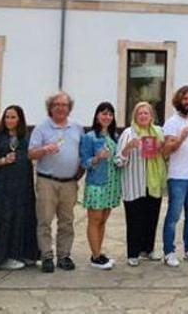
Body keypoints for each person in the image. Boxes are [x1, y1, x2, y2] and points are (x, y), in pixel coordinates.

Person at [28, 91, 84, 273]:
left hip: (69, 182)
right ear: (50, 108)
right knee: (44, 219)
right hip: (47, 181)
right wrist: (44, 149)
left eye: (64, 105)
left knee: (67, 221)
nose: (61, 108)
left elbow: (83, 152)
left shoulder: (77, 127)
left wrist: (80, 173)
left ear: (69, 108)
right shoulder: (41, 128)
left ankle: (64, 255)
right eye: (57, 105)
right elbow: (30, 153)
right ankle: (46, 255)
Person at [0, 105, 39, 270]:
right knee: (5, 219)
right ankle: (4, 256)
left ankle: (24, 253)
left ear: (20, 119)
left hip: (23, 186)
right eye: (7, 117)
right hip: (3, 186)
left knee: (23, 218)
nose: (9, 121)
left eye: (13, 117)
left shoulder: (26, 139)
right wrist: (4, 160)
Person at [117, 101, 167, 266]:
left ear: (151, 116)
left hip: (153, 183)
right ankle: (133, 253)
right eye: (140, 113)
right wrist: (128, 149)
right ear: (135, 116)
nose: (144, 116)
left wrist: (162, 147)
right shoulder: (128, 134)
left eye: (147, 113)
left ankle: (148, 249)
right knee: (134, 220)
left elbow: (167, 155)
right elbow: (118, 161)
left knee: (151, 219)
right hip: (134, 184)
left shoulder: (158, 132)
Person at [161, 86, 188, 267]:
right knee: (173, 216)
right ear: (179, 101)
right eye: (185, 99)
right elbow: (166, 150)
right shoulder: (172, 122)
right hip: (178, 177)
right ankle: (169, 252)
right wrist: (180, 138)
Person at [80, 102, 122, 270]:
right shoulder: (89, 137)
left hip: (112, 184)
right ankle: (95, 257)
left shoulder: (115, 137)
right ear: (97, 116)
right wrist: (97, 157)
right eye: (103, 114)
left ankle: (98, 252)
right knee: (94, 220)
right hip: (97, 184)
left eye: (110, 114)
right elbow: (85, 162)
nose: (107, 117)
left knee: (103, 220)